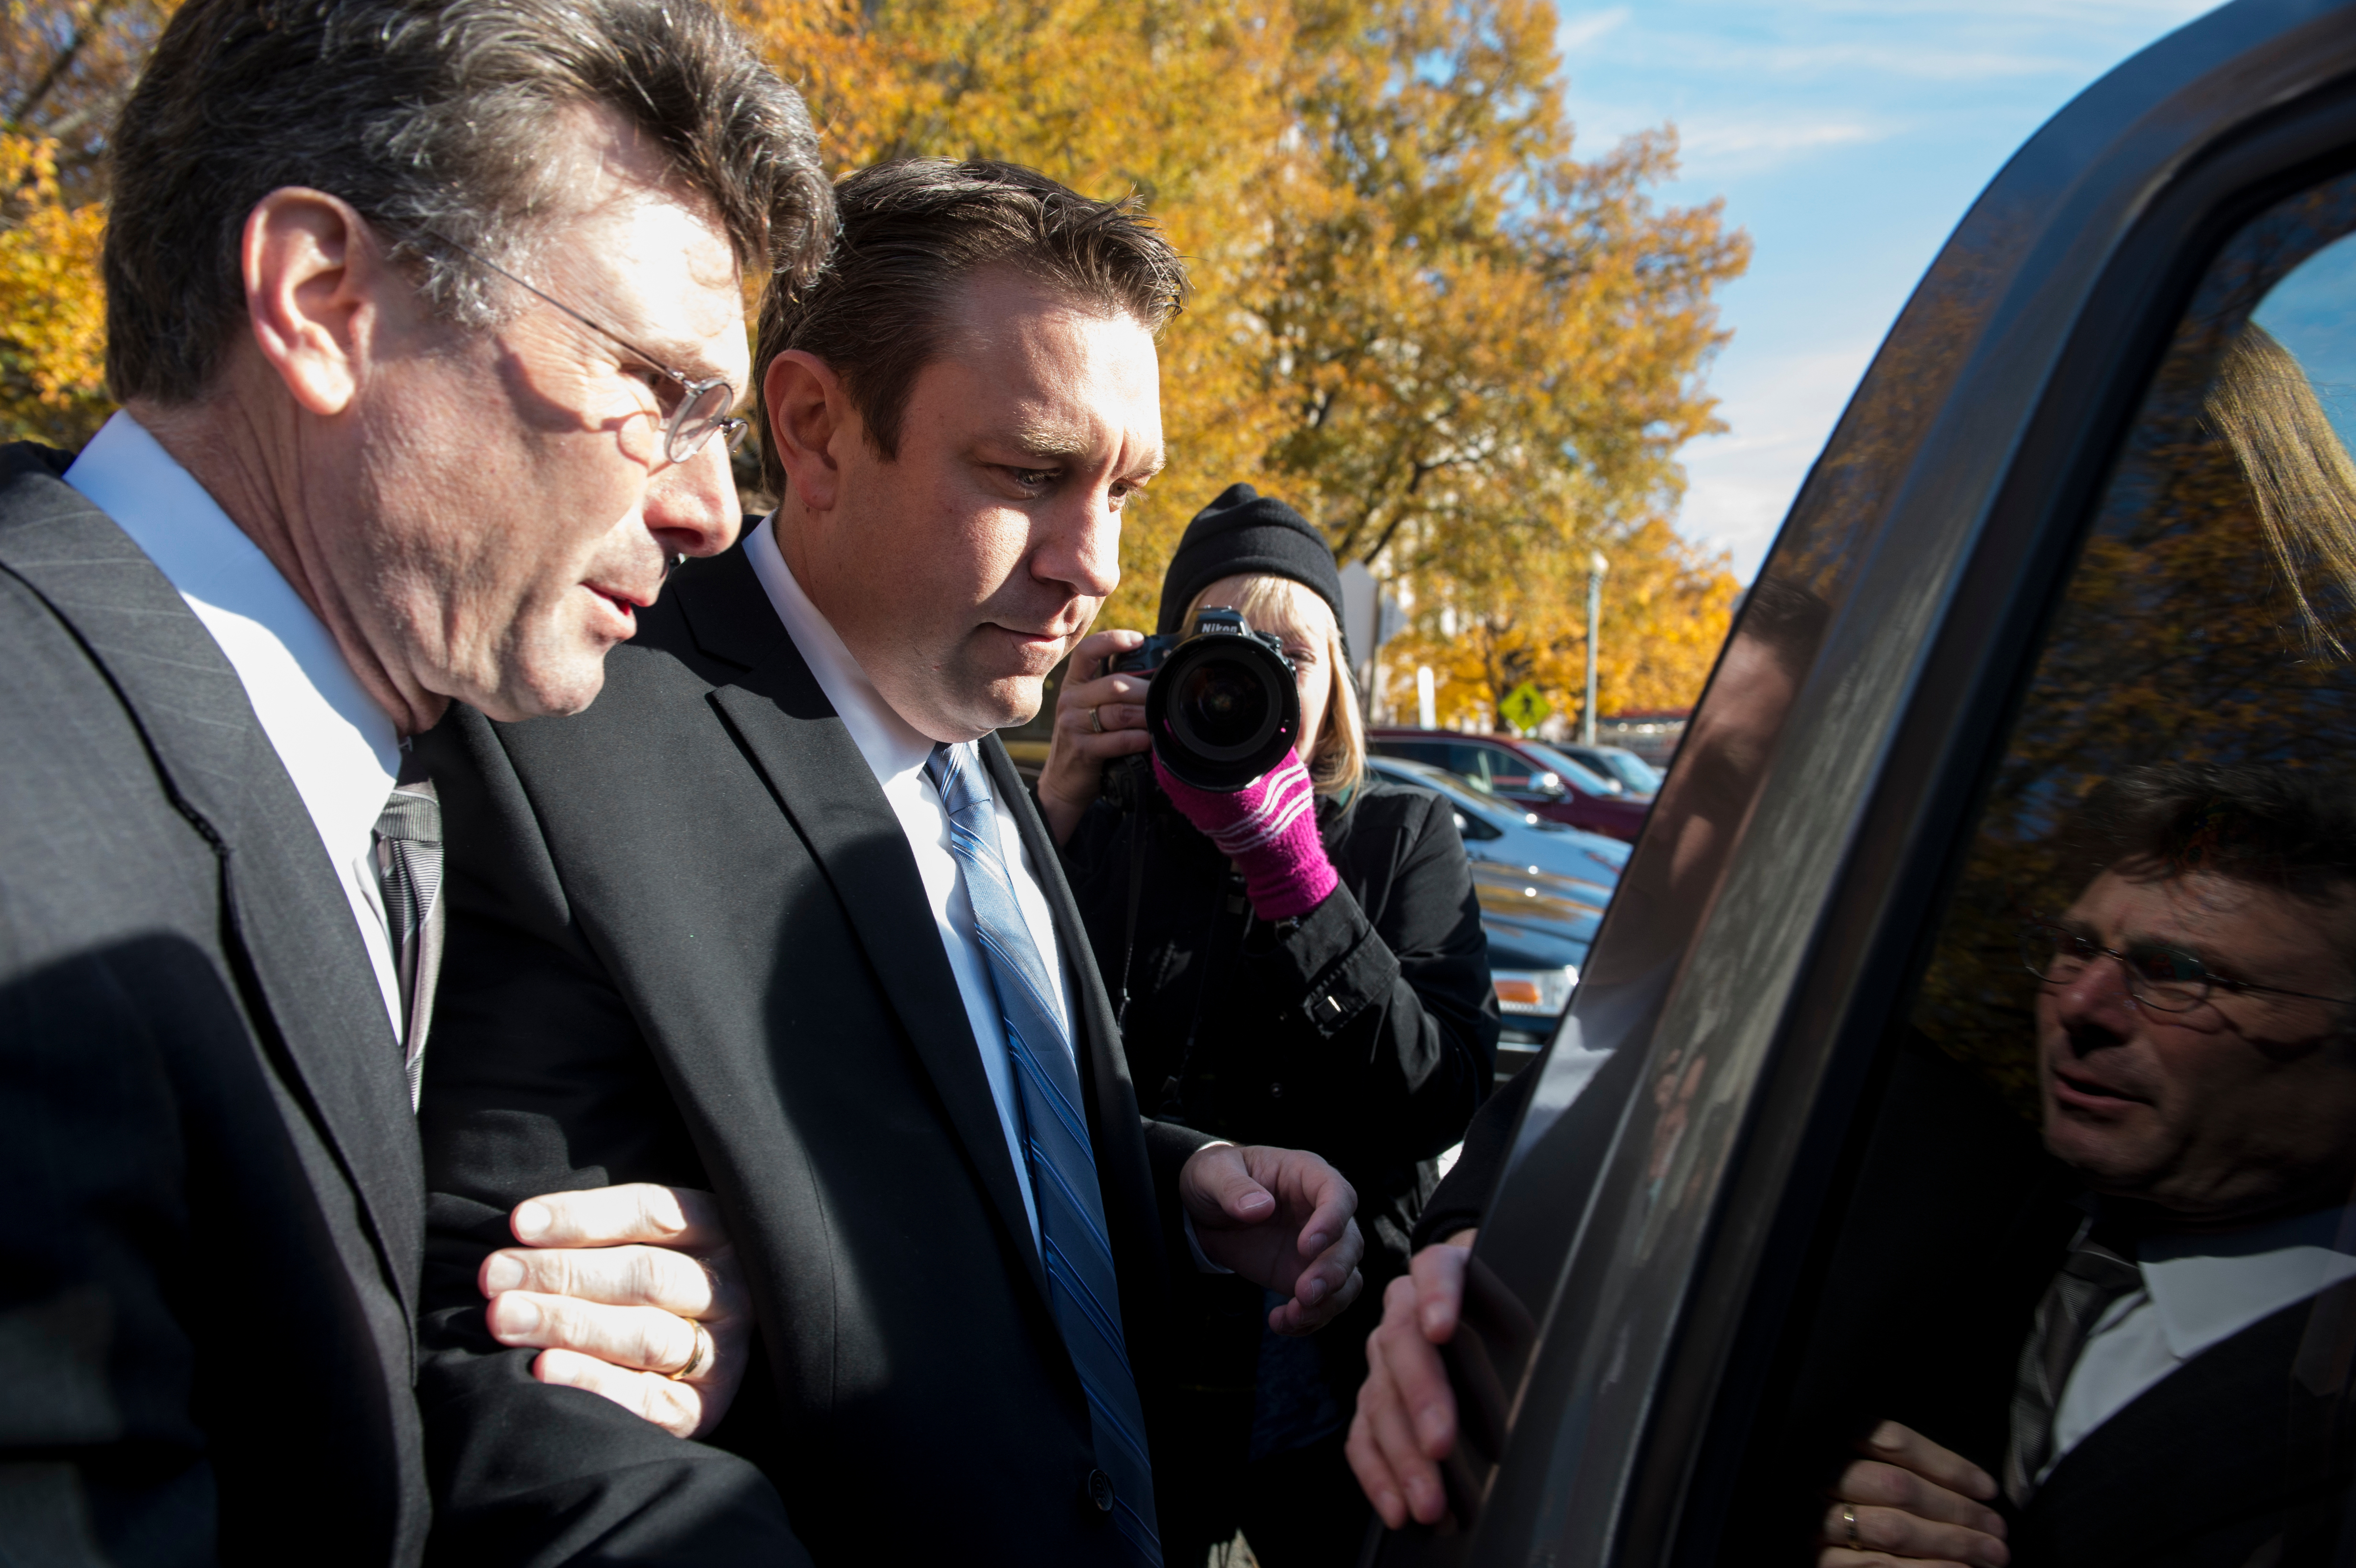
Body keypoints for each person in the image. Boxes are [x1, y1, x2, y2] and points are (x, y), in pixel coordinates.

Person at [413, 158, 1370, 1567]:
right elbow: (516, 1394)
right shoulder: (563, 745)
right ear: (813, 430)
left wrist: (1167, 1178)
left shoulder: (970, 728)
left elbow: (947, 1118)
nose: (1094, 563)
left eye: (1125, 487)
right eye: (1033, 475)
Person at [0, 0, 833, 1558]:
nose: (713, 510)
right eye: (656, 387)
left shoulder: (372, 776)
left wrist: (559, 1356)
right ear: (324, 301)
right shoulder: (30, 856)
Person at [1037, 483, 1497, 1565]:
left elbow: (1441, 1094)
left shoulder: (1399, 831)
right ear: (1158, 669)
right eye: (1220, 645)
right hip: (1129, 1317)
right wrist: (1054, 804)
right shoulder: (1106, 817)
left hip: (1333, 1340)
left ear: (1336, 678)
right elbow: (1002, 1038)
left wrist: (1291, 871)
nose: (1252, 676)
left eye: (1290, 649)